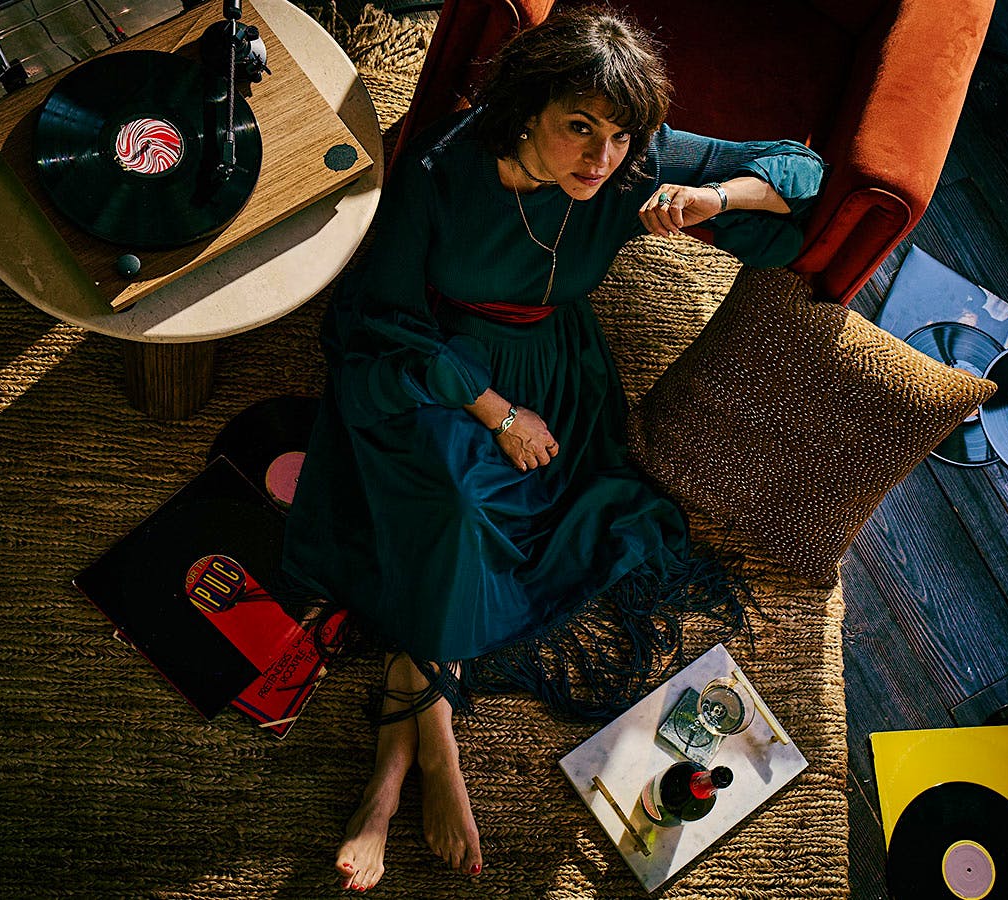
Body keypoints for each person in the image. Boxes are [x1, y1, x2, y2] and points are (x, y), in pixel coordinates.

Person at [278, 7, 823, 892]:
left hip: (553, 357)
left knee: (487, 518)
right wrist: (497, 414)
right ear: (528, 109)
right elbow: (386, 318)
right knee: (456, 502)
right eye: (580, 128)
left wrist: (716, 198)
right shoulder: (442, 171)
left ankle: (397, 755)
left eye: (620, 136)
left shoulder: (633, 161)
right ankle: (433, 747)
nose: (603, 158)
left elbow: (804, 170)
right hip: (438, 360)